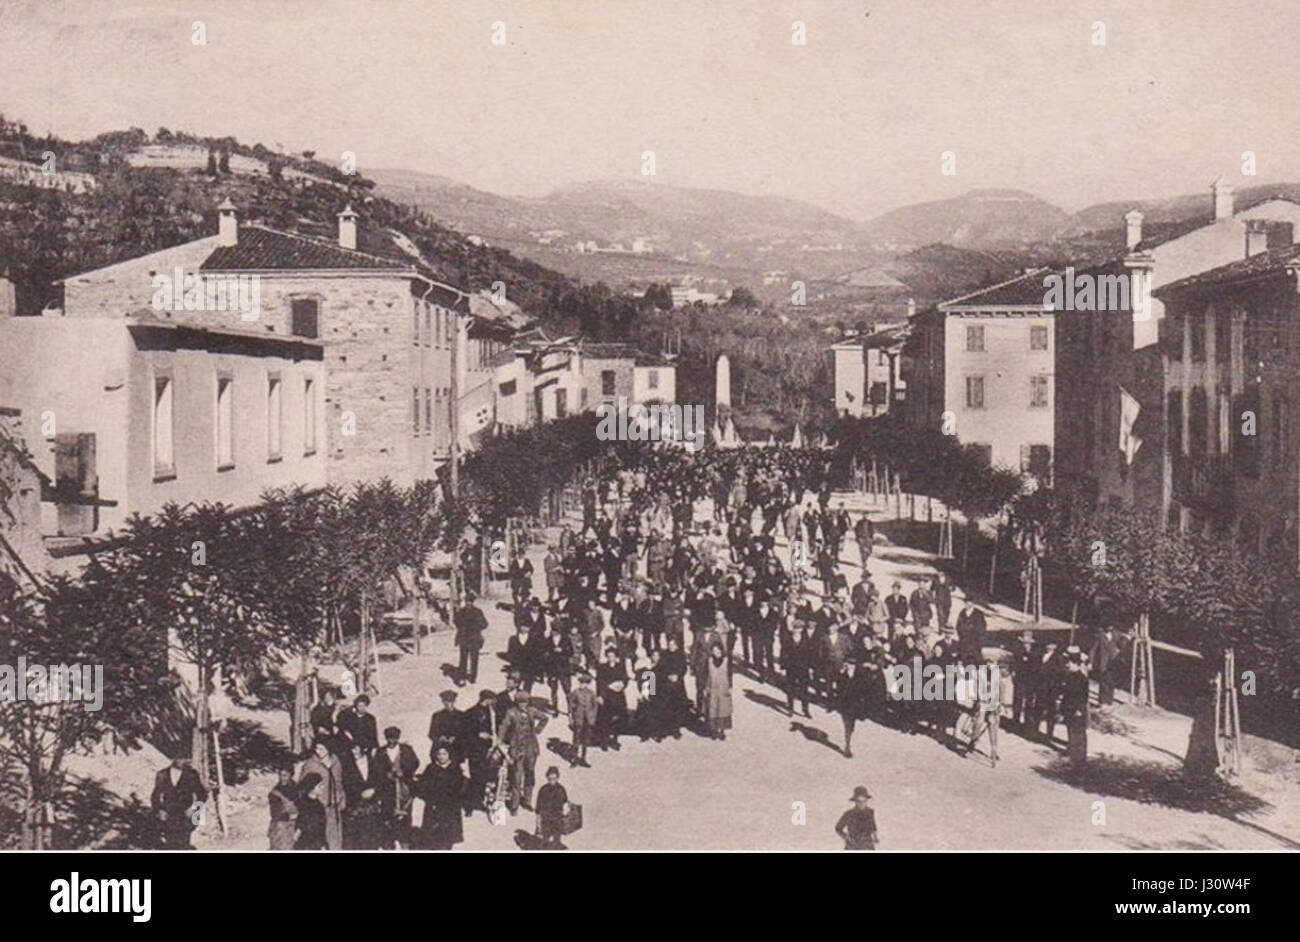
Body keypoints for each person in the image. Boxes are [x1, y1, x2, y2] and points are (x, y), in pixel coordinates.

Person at [500, 688, 548, 812]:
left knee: (530, 775)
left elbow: (544, 718)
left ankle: (527, 801)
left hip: (531, 749)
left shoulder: (532, 711)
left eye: (525, 702)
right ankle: (514, 805)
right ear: (517, 703)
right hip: (517, 750)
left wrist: (537, 730)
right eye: (520, 702)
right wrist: (500, 741)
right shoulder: (511, 713)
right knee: (517, 777)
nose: (523, 705)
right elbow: (504, 727)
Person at [372, 726, 420, 848]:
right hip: (387, 790)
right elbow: (375, 769)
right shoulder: (380, 751)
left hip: (404, 789)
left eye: (394, 739)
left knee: (405, 817)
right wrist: (385, 774)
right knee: (388, 817)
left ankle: (405, 844)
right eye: (389, 739)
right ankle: (389, 844)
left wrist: (404, 772)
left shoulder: (407, 749)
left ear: (398, 738)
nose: (391, 741)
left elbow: (415, 763)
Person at [151, 756, 207, 849]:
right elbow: (155, 796)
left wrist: (193, 808)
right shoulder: (162, 774)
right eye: (180, 758)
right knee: (170, 844)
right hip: (169, 816)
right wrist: (160, 810)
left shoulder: (192, 774)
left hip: (185, 816)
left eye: (184, 758)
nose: (183, 761)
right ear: (173, 759)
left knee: (184, 843)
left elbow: (202, 794)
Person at [415, 746, 466, 849]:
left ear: (449, 755)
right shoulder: (431, 768)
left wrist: (454, 797)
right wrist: (429, 797)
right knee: (432, 833)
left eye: (444, 754)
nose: (441, 757)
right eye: (439, 754)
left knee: (448, 833)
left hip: (450, 804)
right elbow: (423, 785)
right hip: (434, 803)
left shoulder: (455, 768)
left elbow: (460, 786)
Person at [300, 739, 347, 850]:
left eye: (322, 749)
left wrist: (342, 797)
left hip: (335, 806)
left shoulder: (336, 761)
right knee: (320, 839)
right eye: (316, 748)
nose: (318, 751)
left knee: (335, 839)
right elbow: (303, 786)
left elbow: (340, 782)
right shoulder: (310, 764)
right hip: (319, 807)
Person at [837, 657, 873, 758]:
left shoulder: (860, 675)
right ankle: (847, 746)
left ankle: (848, 739)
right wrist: (841, 673)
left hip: (854, 704)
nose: (851, 667)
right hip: (844, 704)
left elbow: (864, 689)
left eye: (852, 665)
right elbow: (838, 686)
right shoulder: (842, 674)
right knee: (847, 724)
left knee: (851, 726)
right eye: (849, 664)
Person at [1062, 648, 1090, 767]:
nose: (1068, 665)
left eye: (1070, 663)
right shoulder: (1070, 676)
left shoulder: (1081, 678)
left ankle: (1080, 758)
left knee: (1079, 733)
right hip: (1069, 707)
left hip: (1077, 709)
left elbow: (1083, 696)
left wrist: (1079, 709)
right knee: (1071, 732)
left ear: (1075, 664)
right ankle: (1073, 756)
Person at [454, 591, 488, 686]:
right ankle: (462, 677)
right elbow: (456, 622)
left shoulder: (478, 612)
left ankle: (473, 677)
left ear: (473, 602)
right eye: (467, 601)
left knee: (474, 659)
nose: (468, 603)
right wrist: (461, 628)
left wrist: (476, 628)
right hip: (464, 638)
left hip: (474, 639)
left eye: (470, 601)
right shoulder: (460, 611)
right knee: (463, 659)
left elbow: (485, 624)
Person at [702, 641, 733, 740]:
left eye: (718, 650)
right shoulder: (709, 661)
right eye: (714, 650)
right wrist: (705, 687)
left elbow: (730, 674)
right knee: (713, 709)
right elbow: (705, 674)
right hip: (712, 688)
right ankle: (714, 730)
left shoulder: (727, 661)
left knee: (723, 709)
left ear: (721, 650)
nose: (716, 652)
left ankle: (722, 730)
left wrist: (730, 686)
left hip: (723, 688)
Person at [535, 766, 570, 848]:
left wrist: (565, 810)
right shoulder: (543, 789)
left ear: (558, 778)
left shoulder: (561, 789)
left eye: (554, 779)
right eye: (550, 779)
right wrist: (538, 820)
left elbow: (565, 803)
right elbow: (538, 806)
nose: (552, 781)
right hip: (546, 818)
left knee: (557, 839)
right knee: (545, 839)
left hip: (557, 818)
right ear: (547, 778)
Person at [568, 672, 599, 767]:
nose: (583, 685)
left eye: (585, 683)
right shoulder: (575, 692)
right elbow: (571, 705)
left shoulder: (591, 693)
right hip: (578, 718)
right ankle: (574, 759)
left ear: (587, 684)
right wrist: (571, 717)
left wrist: (593, 717)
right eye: (581, 683)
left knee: (586, 740)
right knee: (576, 739)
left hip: (588, 719)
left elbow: (595, 706)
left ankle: (583, 759)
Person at [835, 786, 878, 850]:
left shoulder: (870, 812)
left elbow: (873, 826)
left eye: (864, 801)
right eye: (859, 801)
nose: (862, 803)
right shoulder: (849, 814)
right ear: (855, 801)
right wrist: (846, 837)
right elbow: (838, 828)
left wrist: (875, 837)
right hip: (853, 845)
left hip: (867, 845)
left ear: (866, 801)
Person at [427, 690, 464, 764]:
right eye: (445, 701)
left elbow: (465, 734)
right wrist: (440, 738)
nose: (447, 704)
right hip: (439, 750)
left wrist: (455, 739)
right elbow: (431, 733)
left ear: (454, 701)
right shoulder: (437, 715)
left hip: (455, 749)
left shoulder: (461, 715)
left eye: (450, 701)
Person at [267, 765, 299, 850]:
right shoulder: (274, 793)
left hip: (295, 827)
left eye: (285, 775)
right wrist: (290, 816)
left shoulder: (298, 789)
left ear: (291, 774)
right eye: (280, 775)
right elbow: (274, 814)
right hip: (281, 828)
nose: (282, 778)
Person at [294, 772, 328, 850]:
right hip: (307, 845)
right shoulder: (303, 804)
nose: (323, 787)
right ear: (312, 787)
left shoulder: (319, 805)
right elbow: (306, 827)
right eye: (320, 785)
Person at [1089, 624, 1121, 707]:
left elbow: (1121, 646)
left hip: (1113, 663)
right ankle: (1102, 701)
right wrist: (1090, 662)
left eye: (1111, 626)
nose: (1109, 627)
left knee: (1111, 681)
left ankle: (1109, 700)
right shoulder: (1100, 636)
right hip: (1103, 663)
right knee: (1103, 682)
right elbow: (1093, 649)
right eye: (1108, 626)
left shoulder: (1116, 634)